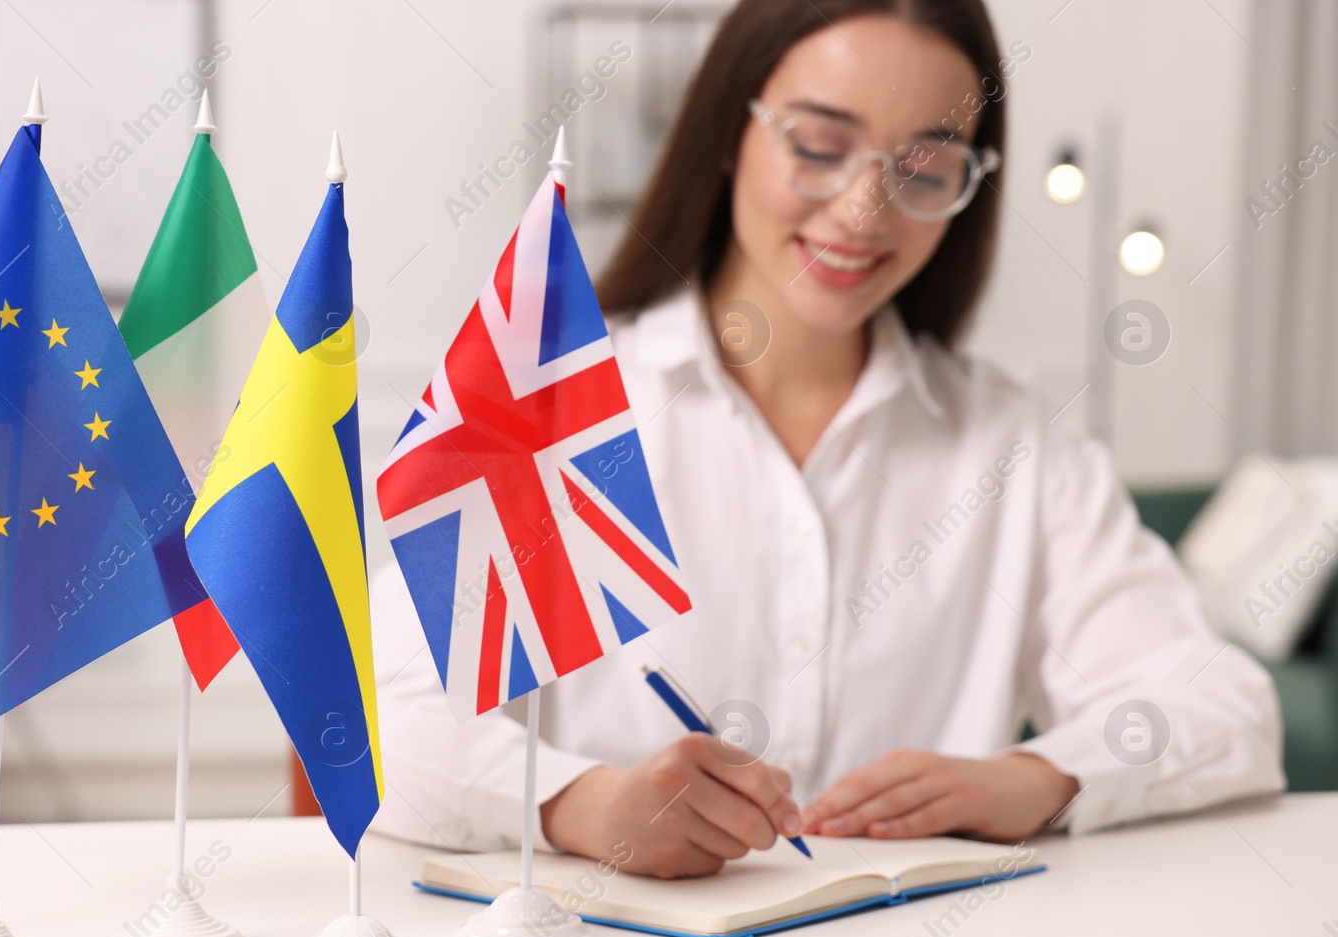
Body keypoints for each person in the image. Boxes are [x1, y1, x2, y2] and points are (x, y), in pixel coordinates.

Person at [369, 0, 1284, 877]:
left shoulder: (1015, 445)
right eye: (816, 146)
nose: (862, 209)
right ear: (731, 130)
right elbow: (386, 710)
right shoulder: (560, 404)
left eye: (924, 166)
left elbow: (1224, 707)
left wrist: (1036, 778)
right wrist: (581, 806)